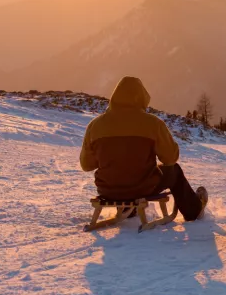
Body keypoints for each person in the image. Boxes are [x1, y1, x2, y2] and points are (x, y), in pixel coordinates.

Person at [80, 76, 208, 221]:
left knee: (120, 172)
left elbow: (87, 165)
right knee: (175, 171)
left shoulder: (95, 125)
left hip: (107, 189)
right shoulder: (153, 123)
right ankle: (193, 210)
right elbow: (170, 159)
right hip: (142, 187)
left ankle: (127, 208)